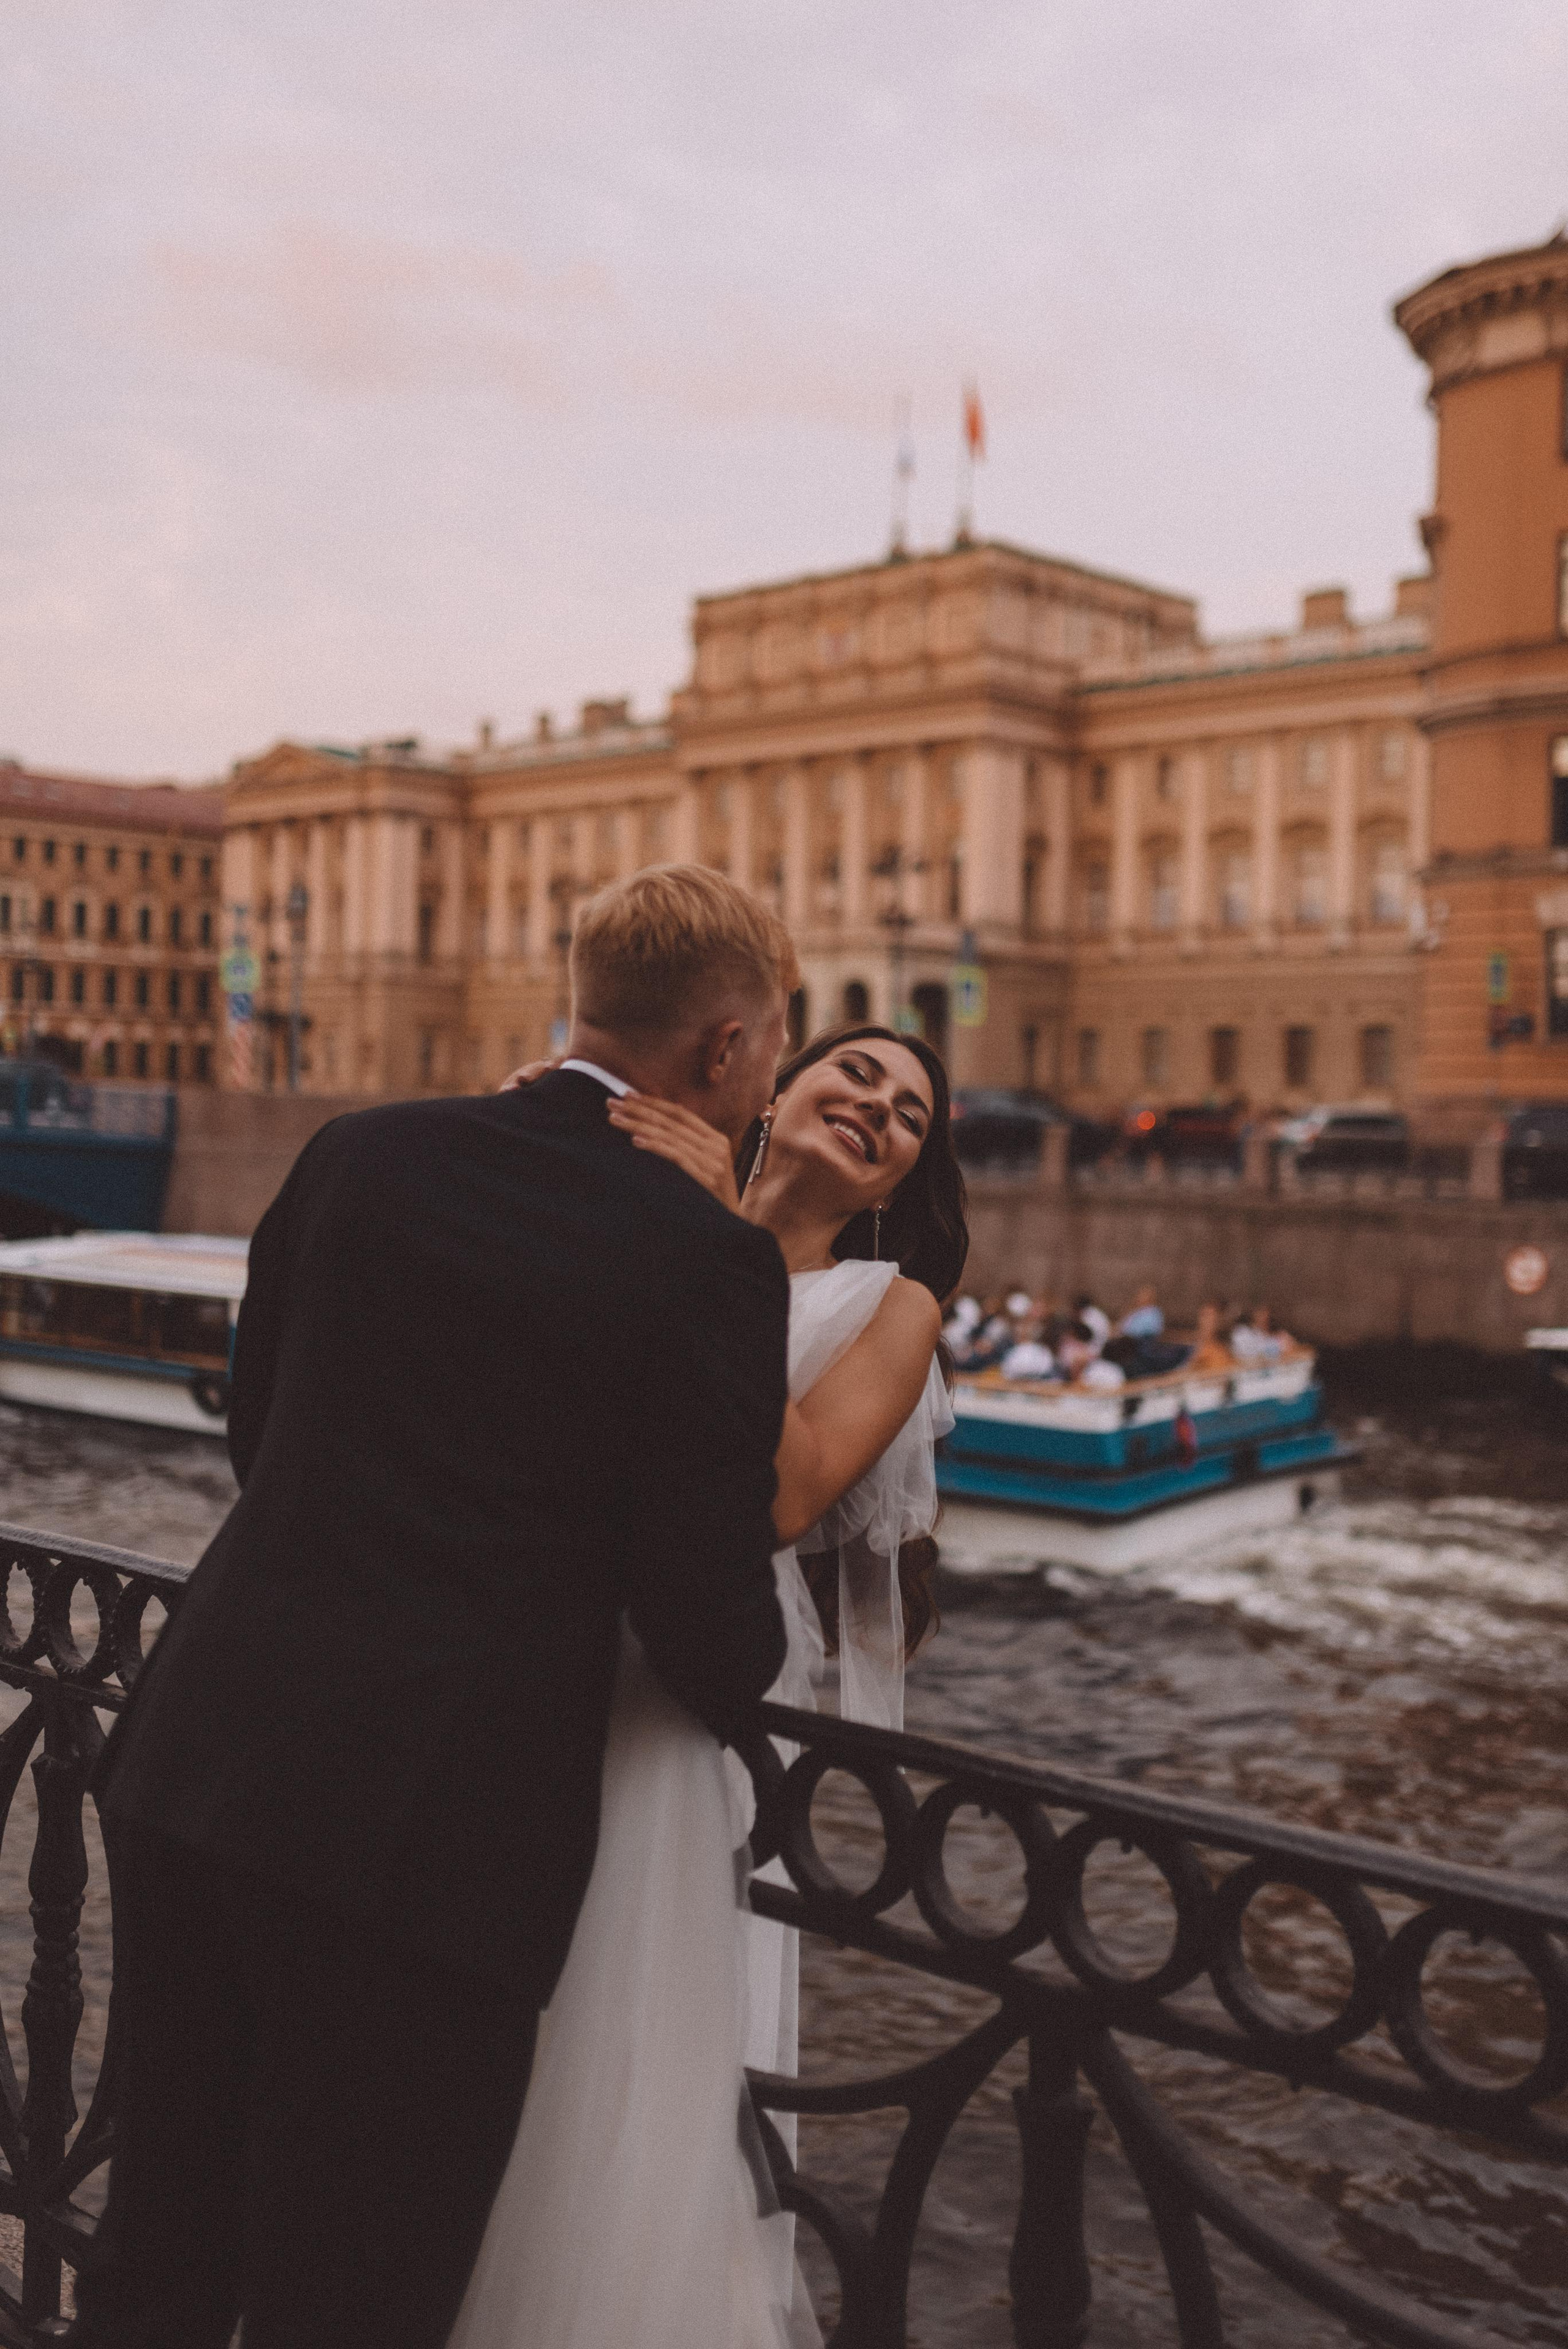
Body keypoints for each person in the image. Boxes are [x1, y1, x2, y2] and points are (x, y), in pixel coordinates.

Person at [74, 865, 800, 2349]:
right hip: (420, 1847)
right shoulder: (704, 1251)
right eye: (775, 1045)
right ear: (723, 1050)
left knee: (160, 2245)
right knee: (348, 2295)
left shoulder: (362, 1151)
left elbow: (260, 1422)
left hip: (204, 1754)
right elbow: (704, 1612)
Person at [451, 1023, 967, 2349]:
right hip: (520, 1656)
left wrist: (711, 1241)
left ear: (898, 1185)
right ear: (773, 1084)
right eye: (853, 1073)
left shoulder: (889, 1309)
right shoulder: (650, 1204)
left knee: (624, 2054)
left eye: (909, 1113)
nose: (876, 1105)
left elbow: (783, 1495)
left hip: (676, 1699)